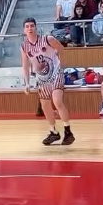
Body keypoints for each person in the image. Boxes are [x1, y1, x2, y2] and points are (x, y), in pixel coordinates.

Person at [21, 18, 76, 146]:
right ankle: (53, 132)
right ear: (24, 30)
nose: (30, 28)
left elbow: (61, 49)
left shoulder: (48, 39)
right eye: (27, 26)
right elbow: (25, 65)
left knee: (57, 101)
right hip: (42, 78)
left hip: (55, 73)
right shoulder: (24, 46)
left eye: (32, 26)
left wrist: (59, 60)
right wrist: (27, 83)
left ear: (36, 27)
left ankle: (68, 131)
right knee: (45, 106)